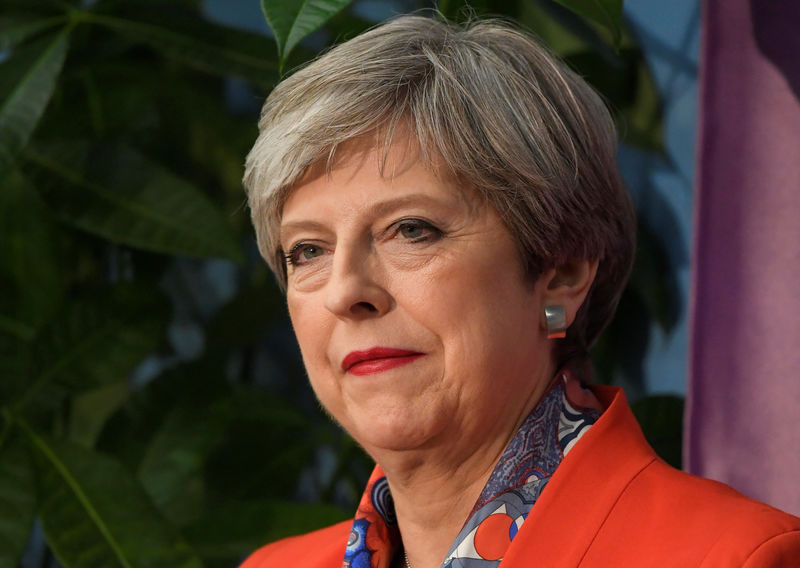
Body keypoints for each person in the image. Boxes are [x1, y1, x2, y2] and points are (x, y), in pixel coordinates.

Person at [240, 14, 800, 568]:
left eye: (411, 230)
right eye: (308, 251)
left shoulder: (735, 556)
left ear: (562, 271)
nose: (344, 293)